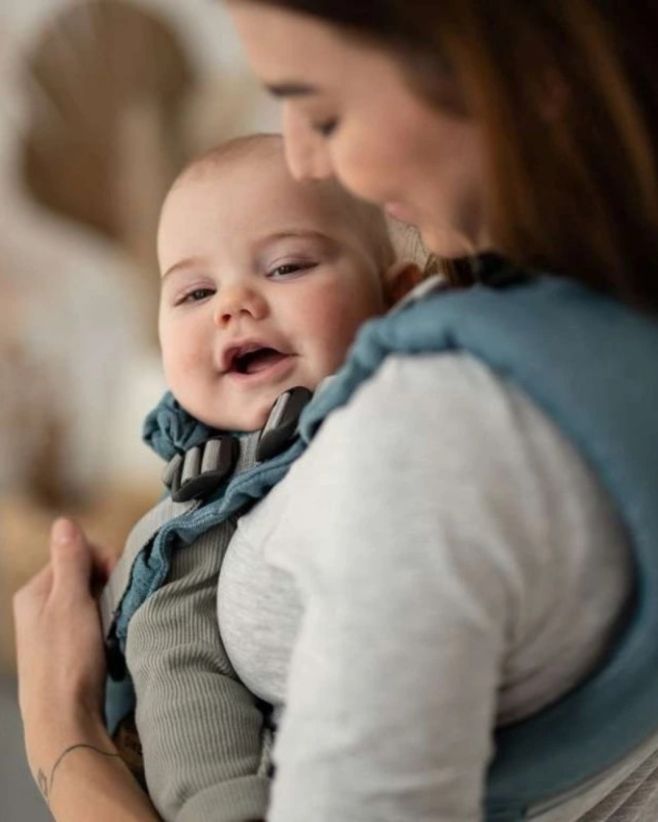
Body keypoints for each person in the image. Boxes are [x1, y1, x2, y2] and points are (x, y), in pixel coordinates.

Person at [13, 3, 658, 822]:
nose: (309, 154)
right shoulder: (595, 329)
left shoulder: (427, 432)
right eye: (195, 292)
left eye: (323, 109)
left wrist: (60, 738)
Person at [62, 131, 421, 819]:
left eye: (286, 267)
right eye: (194, 293)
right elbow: (176, 672)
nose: (233, 306)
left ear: (394, 296)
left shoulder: (421, 404)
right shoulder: (198, 517)